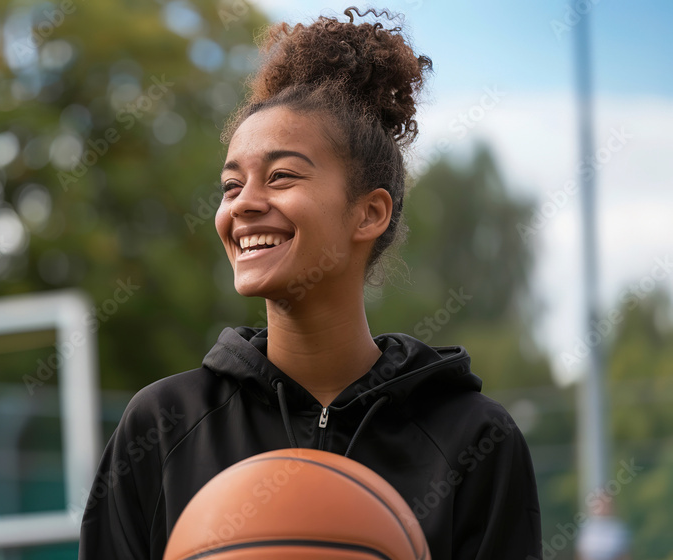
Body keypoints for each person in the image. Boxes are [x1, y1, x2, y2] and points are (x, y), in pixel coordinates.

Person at [79, 7, 542, 559]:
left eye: (281, 176)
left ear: (368, 214)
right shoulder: (162, 425)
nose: (244, 204)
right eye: (231, 186)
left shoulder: (474, 439)